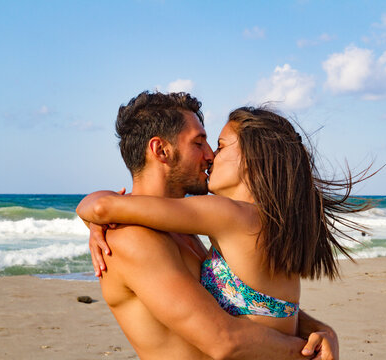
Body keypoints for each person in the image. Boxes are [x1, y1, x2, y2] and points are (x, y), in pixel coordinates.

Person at [77, 91, 338, 360]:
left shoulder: (186, 229)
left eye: (215, 145)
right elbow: (224, 341)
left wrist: (320, 330)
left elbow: (254, 301)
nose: (210, 154)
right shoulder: (133, 239)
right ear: (161, 150)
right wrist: (308, 353)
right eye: (199, 142)